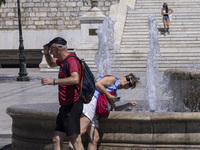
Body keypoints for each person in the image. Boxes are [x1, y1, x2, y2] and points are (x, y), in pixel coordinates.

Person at [41, 37, 84, 150]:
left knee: (75, 139)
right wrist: (46, 53)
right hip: (65, 105)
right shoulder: (64, 61)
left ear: (57, 49)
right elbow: (51, 63)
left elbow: (75, 79)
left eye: (51, 50)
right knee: (56, 138)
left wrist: (53, 81)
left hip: (73, 104)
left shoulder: (71, 60)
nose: (51, 52)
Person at [79, 74, 140, 150]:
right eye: (128, 79)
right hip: (91, 102)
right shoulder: (113, 79)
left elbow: (113, 110)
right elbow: (98, 84)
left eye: (130, 84)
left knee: (94, 139)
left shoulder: (115, 93)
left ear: (127, 88)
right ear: (123, 77)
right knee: (81, 130)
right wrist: (109, 96)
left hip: (96, 112)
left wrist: (128, 105)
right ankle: (71, 146)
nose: (127, 82)